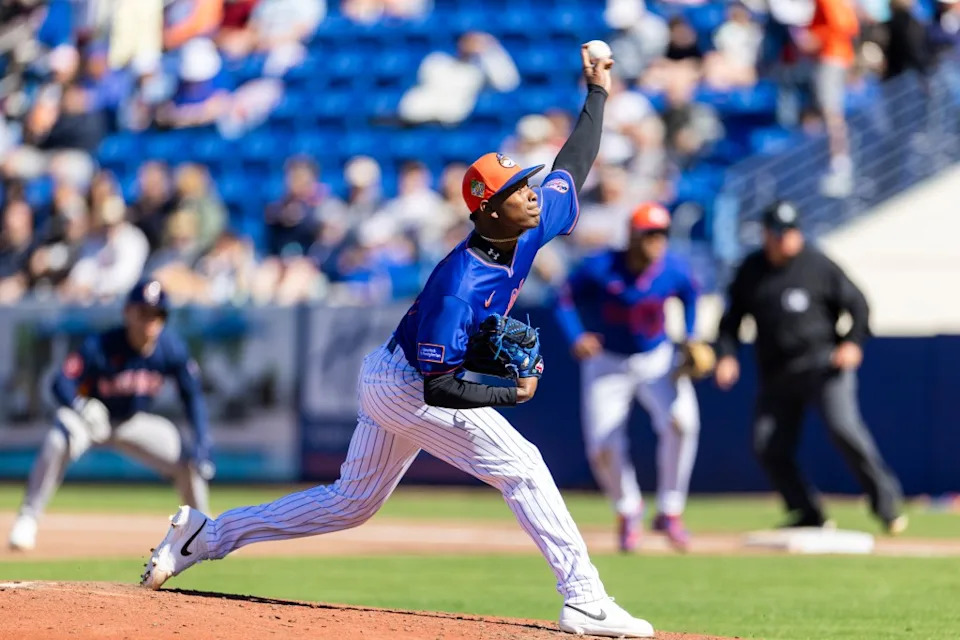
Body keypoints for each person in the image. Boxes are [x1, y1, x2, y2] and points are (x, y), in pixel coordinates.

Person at [141, 45, 655, 639]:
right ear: (487, 210)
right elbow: (439, 387)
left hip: (398, 372)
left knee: (350, 504)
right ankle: (585, 599)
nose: (533, 192)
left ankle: (207, 535)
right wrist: (509, 394)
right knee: (524, 466)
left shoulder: (532, 222)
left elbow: (574, 163)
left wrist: (596, 93)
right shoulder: (457, 285)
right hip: (406, 385)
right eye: (518, 189)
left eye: (528, 183)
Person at [714, 201, 906, 534]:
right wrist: (726, 354)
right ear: (765, 235)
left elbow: (858, 305)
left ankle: (887, 506)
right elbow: (730, 322)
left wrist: (852, 343)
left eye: (790, 232)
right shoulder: (752, 271)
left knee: (845, 429)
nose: (784, 239)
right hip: (777, 372)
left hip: (824, 365)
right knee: (768, 446)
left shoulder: (817, 265)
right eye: (777, 233)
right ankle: (808, 512)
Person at [9, 280, 214, 551]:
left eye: (158, 314)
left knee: (190, 459)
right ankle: (28, 519)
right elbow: (60, 381)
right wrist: (79, 403)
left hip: (133, 421)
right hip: (93, 417)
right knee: (58, 439)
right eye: (143, 312)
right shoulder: (102, 345)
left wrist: (202, 441)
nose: (150, 321)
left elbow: (193, 396)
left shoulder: (170, 348)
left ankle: (205, 533)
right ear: (128, 313)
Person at [554, 203, 701, 552]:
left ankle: (670, 510)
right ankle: (628, 509)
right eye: (650, 234)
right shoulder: (601, 266)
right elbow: (564, 298)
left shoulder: (672, 269)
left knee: (684, 424)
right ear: (633, 236)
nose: (656, 242)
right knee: (603, 445)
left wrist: (692, 335)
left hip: (657, 357)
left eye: (662, 234)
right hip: (607, 361)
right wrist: (576, 336)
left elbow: (691, 295)